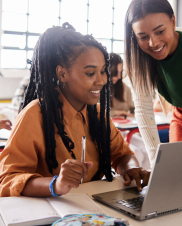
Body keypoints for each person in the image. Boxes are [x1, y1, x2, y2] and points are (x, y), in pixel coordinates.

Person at [0, 23, 150, 197]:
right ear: (62, 74)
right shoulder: (35, 115)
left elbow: (121, 154)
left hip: (92, 209)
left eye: (103, 71)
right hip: (53, 212)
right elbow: (8, 179)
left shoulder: (98, 114)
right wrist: (55, 184)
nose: (101, 80)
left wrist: (132, 168)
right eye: (90, 73)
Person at [124, 0, 182, 167]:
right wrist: (155, 163)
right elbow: (143, 110)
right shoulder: (139, 57)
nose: (153, 43)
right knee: (180, 179)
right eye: (143, 37)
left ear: (173, 21)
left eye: (160, 31)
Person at [110, 53, 135, 118]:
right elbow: (95, 112)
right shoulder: (97, 89)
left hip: (124, 126)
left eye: (120, 73)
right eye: (116, 73)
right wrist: (117, 112)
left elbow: (133, 109)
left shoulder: (125, 88)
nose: (119, 77)